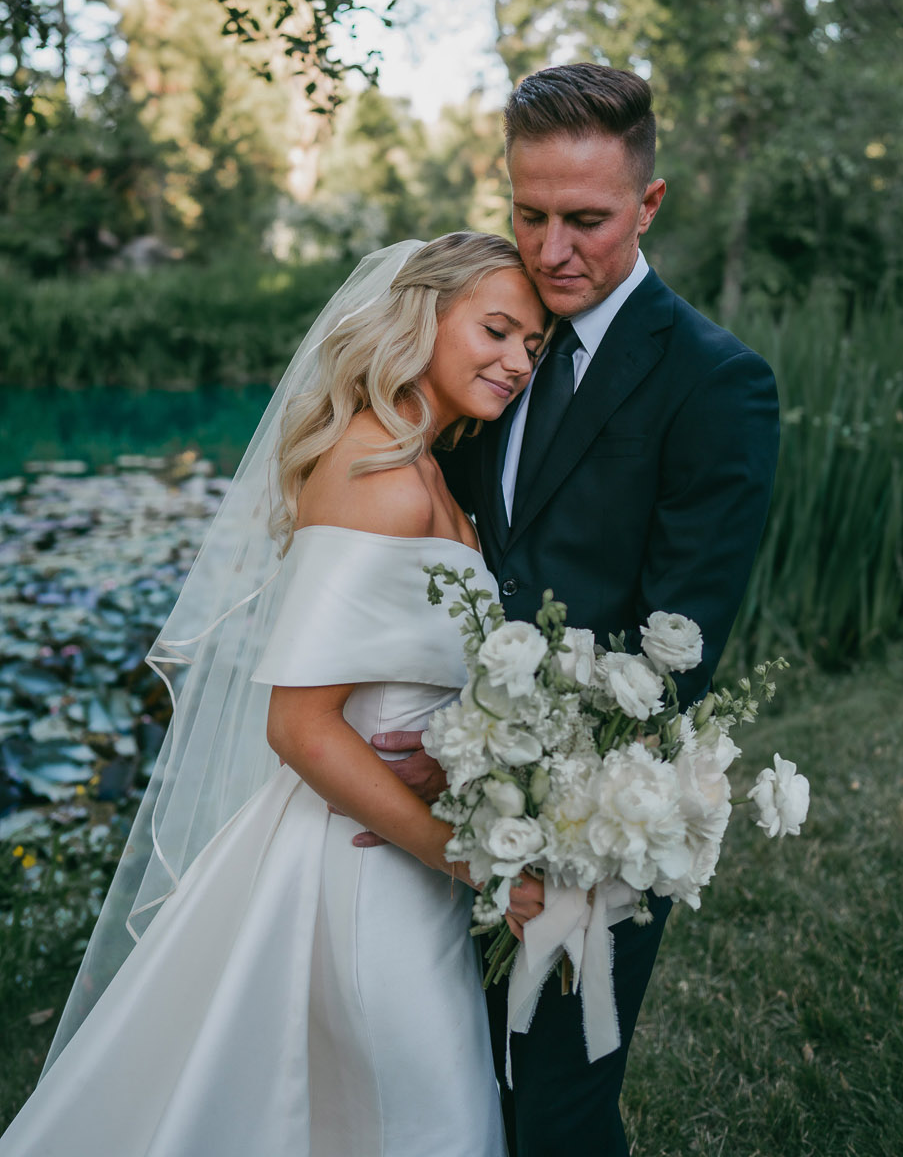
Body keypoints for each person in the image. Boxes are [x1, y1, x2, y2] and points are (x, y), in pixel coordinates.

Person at [0, 232, 548, 1157]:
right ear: (424, 314)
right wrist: (472, 864)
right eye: (497, 331)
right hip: (364, 870)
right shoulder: (378, 472)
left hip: (399, 855)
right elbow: (299, 726)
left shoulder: (429, 474)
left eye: (532, 347)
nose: (516, 362)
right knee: (421, 1118)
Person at [364, 65, 781, 1157]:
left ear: (648, 206)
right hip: (438, 811)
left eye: (584, 221)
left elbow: (672, 653)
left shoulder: (715, 383)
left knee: (555, 1106)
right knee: (449, 1085)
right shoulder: (493, 341)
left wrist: (478, 773)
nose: (550, 250)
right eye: (528, 213)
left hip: (599, 814)